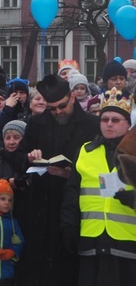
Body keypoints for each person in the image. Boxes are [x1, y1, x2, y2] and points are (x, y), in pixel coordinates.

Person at [17, 74, 100, 286]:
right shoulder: (37, 122)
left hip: (72, 204)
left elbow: (98, 167)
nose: (58, 112)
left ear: (72, 97)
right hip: (42, 204)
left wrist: (69, 174)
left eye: (61, 106)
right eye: (52, 109)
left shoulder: (91, 124)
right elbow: (17, 156)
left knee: (69, 264)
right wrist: (29, 157)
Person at [60, 88, 136, 285]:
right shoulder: (85, 152)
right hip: (91, 239)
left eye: (115, 120)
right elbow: (72, 192)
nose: (109, 124)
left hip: (128, 242)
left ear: (128, 124)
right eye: (104, 119)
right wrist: (69, 225)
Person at [0, 179, 24, 285]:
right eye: (3, 199)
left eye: (10, 200)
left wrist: (13, 252)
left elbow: (20, 241)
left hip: (7, 272)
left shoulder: (13, 222)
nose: (7, 203)